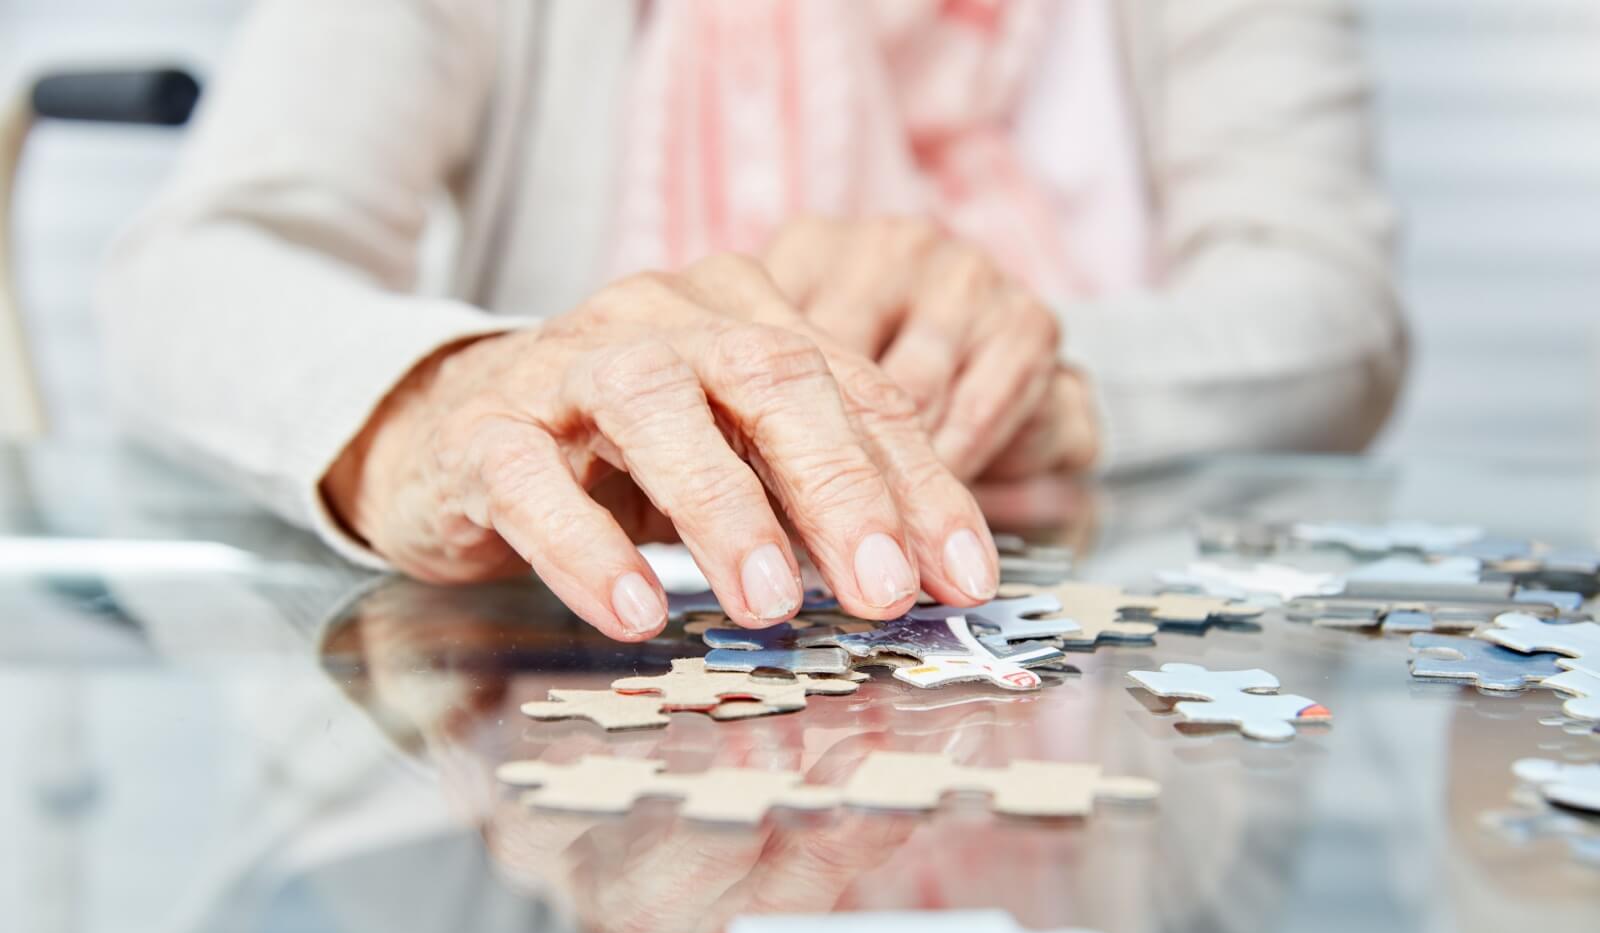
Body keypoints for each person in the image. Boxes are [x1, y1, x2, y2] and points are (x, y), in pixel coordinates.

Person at [97, 0, 1404, 642]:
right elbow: (197, 262)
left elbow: (1332, 311)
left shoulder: (1186, 921)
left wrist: (1034, 372)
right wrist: (446, 396)